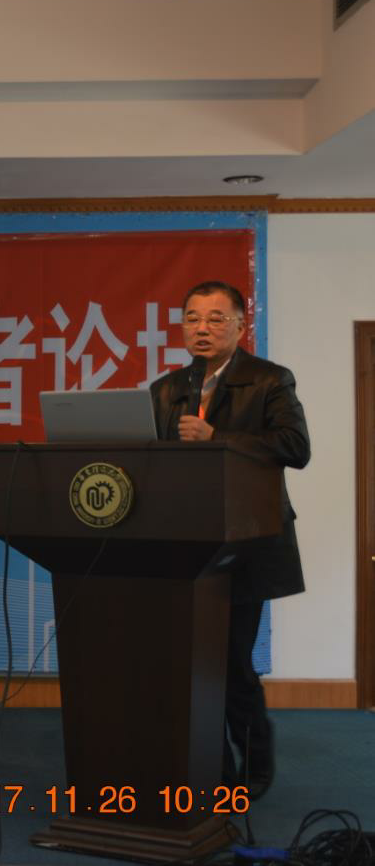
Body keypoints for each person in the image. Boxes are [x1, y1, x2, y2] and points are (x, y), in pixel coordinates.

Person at [149, 280, 309, 799]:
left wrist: (218, 438)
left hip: (245, 542)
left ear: (241, 325)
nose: (202, 328)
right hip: (183, 545)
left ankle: (254, 766)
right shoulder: (166, 389)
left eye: (216, 318)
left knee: (232, 662)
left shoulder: (269, 380)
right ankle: (212, 769)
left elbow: (295, 446)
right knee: (190, 664)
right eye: (192, 318)